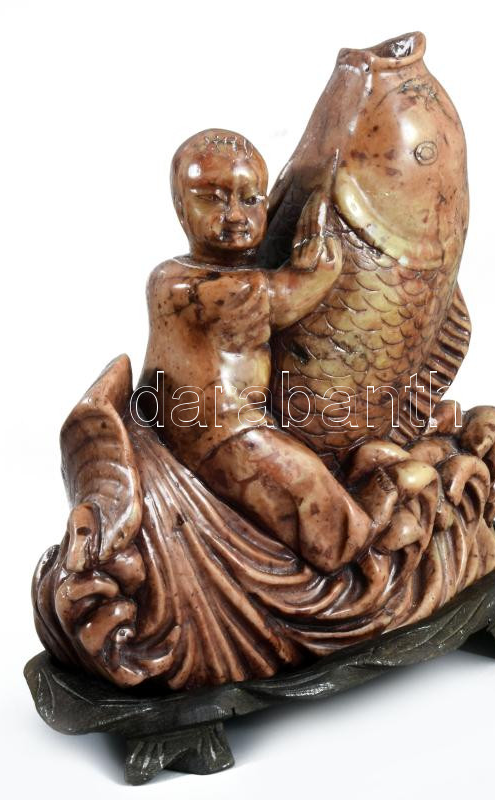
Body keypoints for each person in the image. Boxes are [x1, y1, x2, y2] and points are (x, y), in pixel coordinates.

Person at [138, 129, 373, 573]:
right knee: (305, 483)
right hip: (215, 431)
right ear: (180, 207)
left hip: (243, 422)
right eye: (212, 199)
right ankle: (359, 564)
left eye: (250, 200)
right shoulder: (179, 284)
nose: (234, 215)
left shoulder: (236, 272)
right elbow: (282, 297)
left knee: (306, 465)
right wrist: (322, 270)